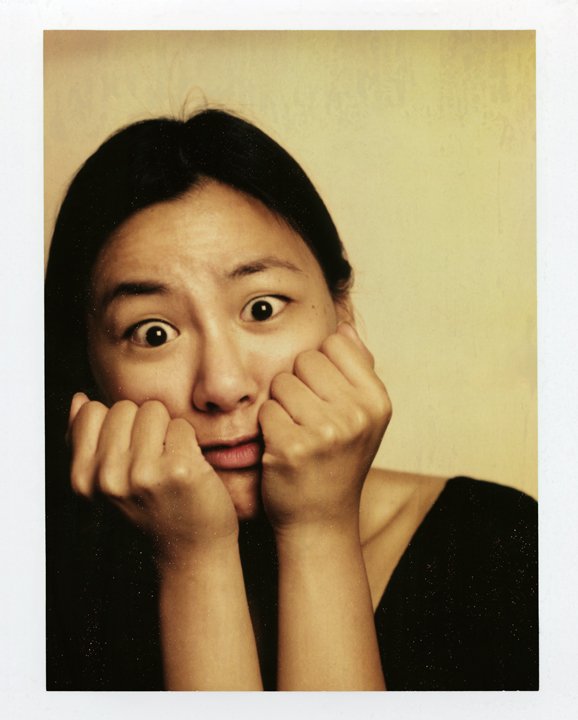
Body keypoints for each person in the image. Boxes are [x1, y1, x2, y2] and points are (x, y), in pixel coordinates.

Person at [45, 108, 538, 691]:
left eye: (262, 308)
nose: (223, 386)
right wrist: (193, 557)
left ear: (342, 315)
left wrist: (319, 525)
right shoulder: (39, 585)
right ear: (88, 371)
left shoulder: (506, 550)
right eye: (154, 333)